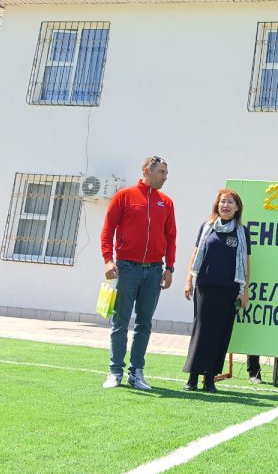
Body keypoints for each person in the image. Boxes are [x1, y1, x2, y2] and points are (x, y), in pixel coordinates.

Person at [100, 155, 176, 390]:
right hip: (127, 268)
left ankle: (136, 373)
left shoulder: (166, 202)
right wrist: (108, 260)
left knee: (144, 324)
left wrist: (169, 268)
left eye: (166, 173)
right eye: (162, 172)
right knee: (120, 322)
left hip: (154, 271)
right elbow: (108, 230)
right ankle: (115, 371)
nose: (165, 177)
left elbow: (171, 238)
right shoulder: (124, 196)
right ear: (147, 171)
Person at [183, 189, 250, 392]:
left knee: (220, 333)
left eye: (230, 202)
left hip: (229, 290)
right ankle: (193, 377)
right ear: (217, 205)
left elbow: (246, 263)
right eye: (222, 201)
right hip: (204, 286)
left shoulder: (242, 232)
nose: (225, 205)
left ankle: (209, 379)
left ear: (237, 208)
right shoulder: (207, 227)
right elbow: (195, 254)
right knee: (201, 330)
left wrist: (244, 291)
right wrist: (188, 280)